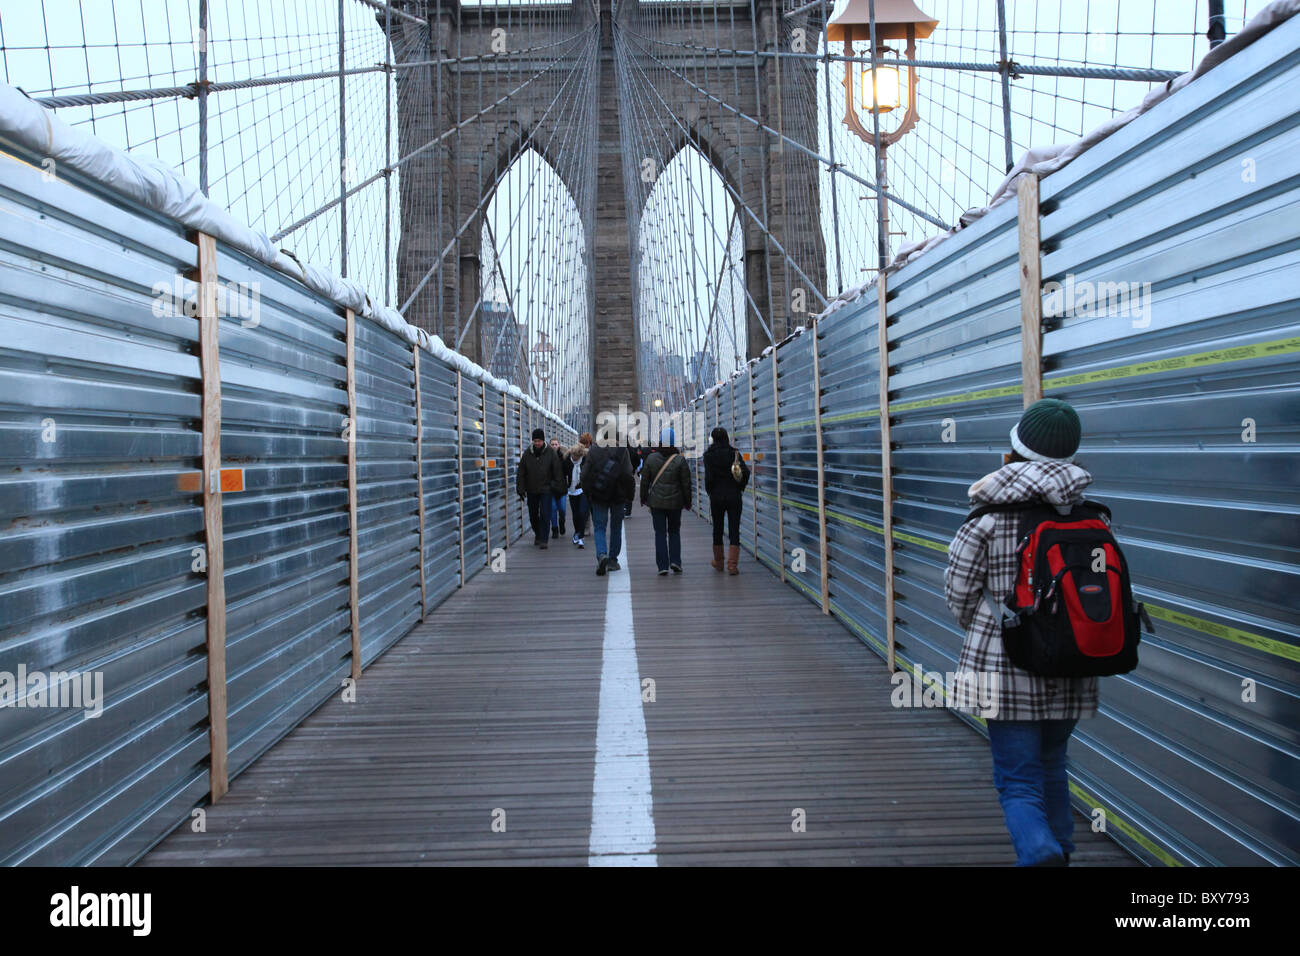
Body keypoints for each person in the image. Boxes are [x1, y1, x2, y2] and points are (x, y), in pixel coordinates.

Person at [944, 398, 1098, 867]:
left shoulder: (987, 519)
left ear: (1014, 450)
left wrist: (994, 628)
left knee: (1017, 778)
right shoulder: (1090, 515)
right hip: (1072, 662)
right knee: (1053, 764)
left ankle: (1039, 851)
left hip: (1004, 666)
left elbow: (959, 593)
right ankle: (1062, 850)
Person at [640, 429, 692, 576]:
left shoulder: (651, 458)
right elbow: (686, 484)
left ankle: (662, 565)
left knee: (660, 533)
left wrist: (643, 498)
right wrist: (688, 502)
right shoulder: (680, 459)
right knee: (674, 531)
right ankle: (675, 561)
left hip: (656, 503)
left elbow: (645, 481)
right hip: (676, 503)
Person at [580, 437, 635, 575]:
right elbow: (629, 472)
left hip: (599, 494)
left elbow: (584, 474)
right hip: (618, 495)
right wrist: (629, 495)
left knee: (599, 527)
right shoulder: (622, 451)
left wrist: (588, 492)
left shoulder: (593, 450)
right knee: (616, 527)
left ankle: (601, 554)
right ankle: (612, 561)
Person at [702, 426, 749, 574]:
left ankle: (719, 562)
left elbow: (709, 478)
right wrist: (740, 487)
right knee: (734, 529)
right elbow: (745, 473)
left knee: (718, 528)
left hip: (716, 496)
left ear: (713, 439)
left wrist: (711, 492)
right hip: (734, 496)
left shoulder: (708, 455)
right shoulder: (734, 453)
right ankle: (732, 565)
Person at [516, 428, 563, 550]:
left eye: (539, 441)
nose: (537, 443)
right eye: (535, 441)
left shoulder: (550, 453)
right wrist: (520, 488)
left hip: (546, 489)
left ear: (543, 440)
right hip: (531, 488)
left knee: (545, 514)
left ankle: (544, 539)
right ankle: (538, 533)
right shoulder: (527, 454)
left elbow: (557, 471)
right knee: (533, 514)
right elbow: (521, 472)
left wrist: (555, 486)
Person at [563, 442, 588, 548]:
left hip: (583, 489)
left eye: (577, 457)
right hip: (572, 489)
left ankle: (581, 536)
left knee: (582, 512)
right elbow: (563, 474)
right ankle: (577, 532)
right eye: (574, 456)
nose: (575, 458)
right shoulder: (567, 460)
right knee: (575, 514)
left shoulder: (586, 460)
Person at [547, 437, 567, 537]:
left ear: (559, 445)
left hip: (562, 488)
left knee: (562, 509)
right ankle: (554, 529)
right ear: (550, 445)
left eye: (556, 444)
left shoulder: (564, 457)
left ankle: (562, 521)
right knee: (553, 509)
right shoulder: (546, 457)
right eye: (552, 444)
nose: (554, 446)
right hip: (550, 488)